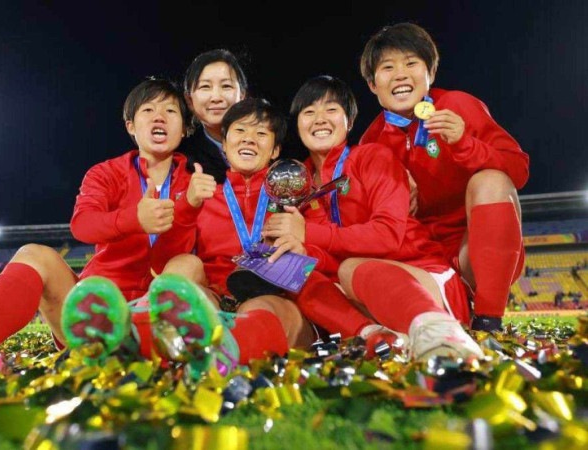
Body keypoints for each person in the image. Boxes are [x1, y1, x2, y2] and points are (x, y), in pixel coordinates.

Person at [0, 78, 192, 372]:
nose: (159, 116)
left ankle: (143, 333)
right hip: (90, 309)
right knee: (35, 253)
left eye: (171, 111)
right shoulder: (105, 173)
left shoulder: (200, 179)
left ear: (185, 128)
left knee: (186, 265)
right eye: (148, 109)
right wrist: (134, 219)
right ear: (130, 126)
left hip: (157, 311)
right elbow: (82, 226)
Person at [263, 75, 483, 360]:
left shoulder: (373, 157)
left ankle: (441, 334)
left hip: (421, 279)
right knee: (292, 269)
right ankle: (376, 337)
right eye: (309, 112)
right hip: (362, 296)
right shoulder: (298, 185)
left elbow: (388, 236)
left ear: (350, 122)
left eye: (331, 109)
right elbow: (330, 257)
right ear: (298, 124)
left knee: (353, 268)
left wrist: (308, 234)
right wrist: (302, 250)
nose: (319, 118)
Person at [358, 23, 529, 333]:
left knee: (490, 180)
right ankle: (434, 312)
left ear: (430, 73)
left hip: (475, 258)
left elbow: (518, 171)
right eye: (387, 67)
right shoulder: (370, 142)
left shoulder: (459, 106)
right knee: (356, 265)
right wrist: (392, 195)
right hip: (420, 263)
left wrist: (467, 145)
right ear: (372, 84)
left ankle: (488, 320)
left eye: (411, 63)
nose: (400, 74)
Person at [149, 98, 321, 370]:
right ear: (225, 146)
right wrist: (187, 207)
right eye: (240, 131)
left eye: (261, 133)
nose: (249, 139)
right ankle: (148, 331)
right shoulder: (203, 192)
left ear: (275, 149)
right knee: (183, 271)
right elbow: (161, 261)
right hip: (214, 298)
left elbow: (325, 257)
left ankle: (216, 357)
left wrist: (304, 248)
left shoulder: (296, 195)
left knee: (259, 312)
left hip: (272, 299)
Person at [178, 49, 248, 184]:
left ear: (242, 95)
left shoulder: (269, 145)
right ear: (189, 100)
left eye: (226, 86)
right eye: (205, 86)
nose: (216, 97)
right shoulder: (182, 157)